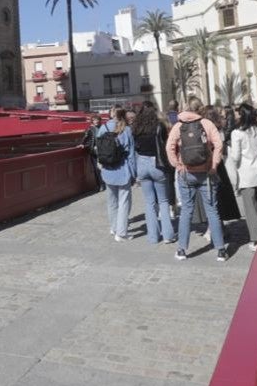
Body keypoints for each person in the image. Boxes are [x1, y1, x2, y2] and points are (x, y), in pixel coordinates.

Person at [166, 97, 228, 262]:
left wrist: (177, 165)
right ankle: (220, 250)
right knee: (212, 211)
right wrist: (214, 164)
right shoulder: (207, 124)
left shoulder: (178, 126)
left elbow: (169, 147)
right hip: (207, 173)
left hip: (186, 174)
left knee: (186, 211)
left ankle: (181, 250)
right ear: (199, 108)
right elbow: (218, 144)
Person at [228, 103, 257, 252]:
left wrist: (231, 160)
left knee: (250, 209)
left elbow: (235, 157)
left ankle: (255, 239)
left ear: (242, 115)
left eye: (237, 113)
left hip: (247, 175)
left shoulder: (237, 133)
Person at [131, 104, 174, 245]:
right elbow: (164, 144)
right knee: (163, 201)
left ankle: (153, 236)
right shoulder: (159, 127)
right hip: (157, 163)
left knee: (149, 202)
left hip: (142, 163)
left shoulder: (136, 128)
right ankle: (168, 235)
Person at [96, 106, 136, 241]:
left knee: (111, 201)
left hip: (107, 169)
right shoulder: (127, 130)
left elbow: (98, 149)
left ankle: (113, 228)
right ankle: (122, 232)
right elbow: (131, 154)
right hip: (123, 169)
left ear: (111, 114)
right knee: (124, 202)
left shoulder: (103, 128)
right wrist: (134, 173)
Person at [80, 113, 105, 192]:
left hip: (104, 151)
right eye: (94, 120)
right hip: (94, 151)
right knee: (96, 169)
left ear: (100, 121)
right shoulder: (90, 129)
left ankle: (106, 183)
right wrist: (82, 144)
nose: (96, 121)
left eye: (97, 120)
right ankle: (100, 185)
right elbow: (85, 137)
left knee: (104, 168)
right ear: (92, 121)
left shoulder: (103, 128)